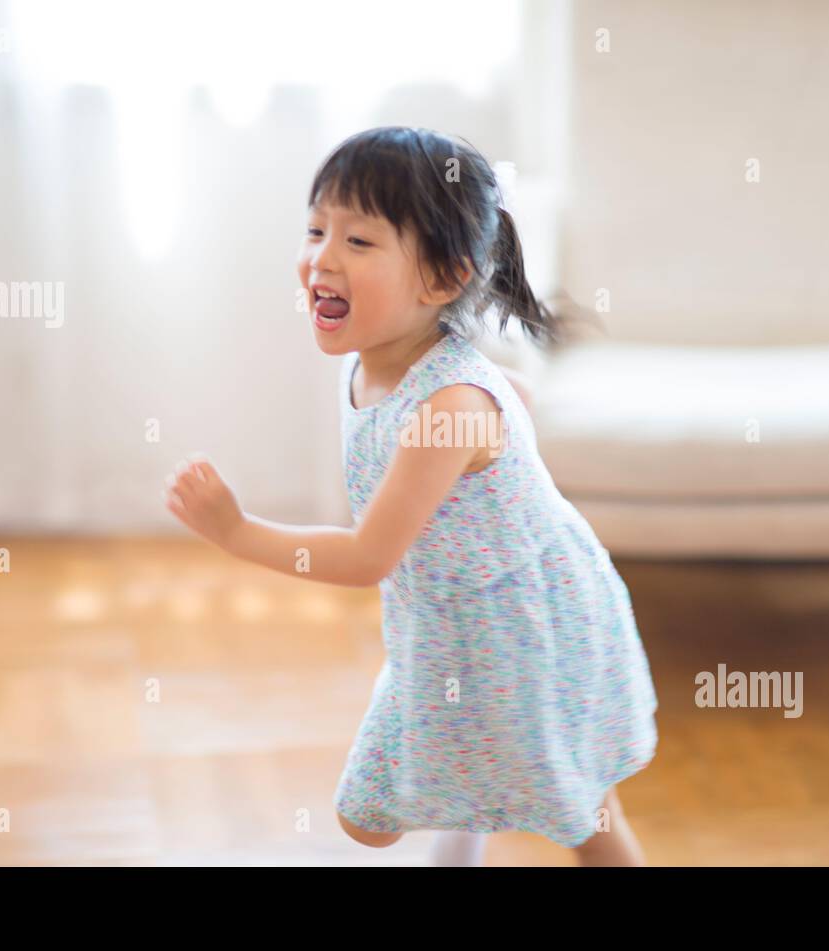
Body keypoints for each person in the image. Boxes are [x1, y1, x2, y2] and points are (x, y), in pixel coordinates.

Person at [164, 126, 658, 866]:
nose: (322, 258)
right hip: (445, 625)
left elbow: (368, 556)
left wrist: (236, 530)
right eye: (316, 229)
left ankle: (479, 829)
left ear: (442, 280)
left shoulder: (445, 407)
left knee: (580, 806)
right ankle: (465, 832)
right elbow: (512, 394)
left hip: (522, 631)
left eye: (359, 242)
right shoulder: (377, 360)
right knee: (380, 810)